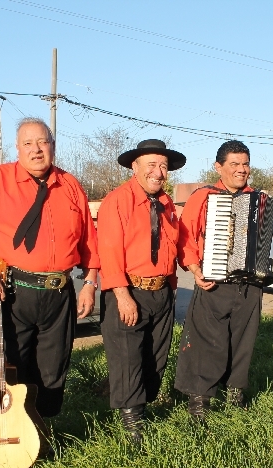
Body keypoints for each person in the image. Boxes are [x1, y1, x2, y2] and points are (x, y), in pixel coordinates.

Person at [0, 117, 99, 420]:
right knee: (3, 368)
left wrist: (91, 284)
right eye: (28, 143)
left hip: (59, 294)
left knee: (52, 368)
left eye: (43, 142)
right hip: (12, 291)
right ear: (17, 148)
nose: (36, 149)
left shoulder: (69, 185)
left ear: (52, 146)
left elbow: (89, 242)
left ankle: (41, 432)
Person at [97, 139, 185, 442]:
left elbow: (177, 245)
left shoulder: (167, 204)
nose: (158, 172)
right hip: (129, 291)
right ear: (135, 167)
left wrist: (194, 271)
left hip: (161, 292)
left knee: (155, 358)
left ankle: (141, 408)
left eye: (163, 166)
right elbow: (108, 252)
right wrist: (122, 296)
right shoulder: (117, 201)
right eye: (151, 164)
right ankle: (132, 424)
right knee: (128, 359)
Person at [174, 140, 261, 421]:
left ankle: (235, 392)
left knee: (243, 340)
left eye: (245, 164)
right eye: (234, 164)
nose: (241, 169)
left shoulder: (259, 200)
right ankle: (199, 402)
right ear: (218, 167)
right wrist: (195, 269)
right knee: (206, 343)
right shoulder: (204, 196)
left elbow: (268, 241)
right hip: (213, 283)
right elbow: (185, 237)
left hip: (249, 285)